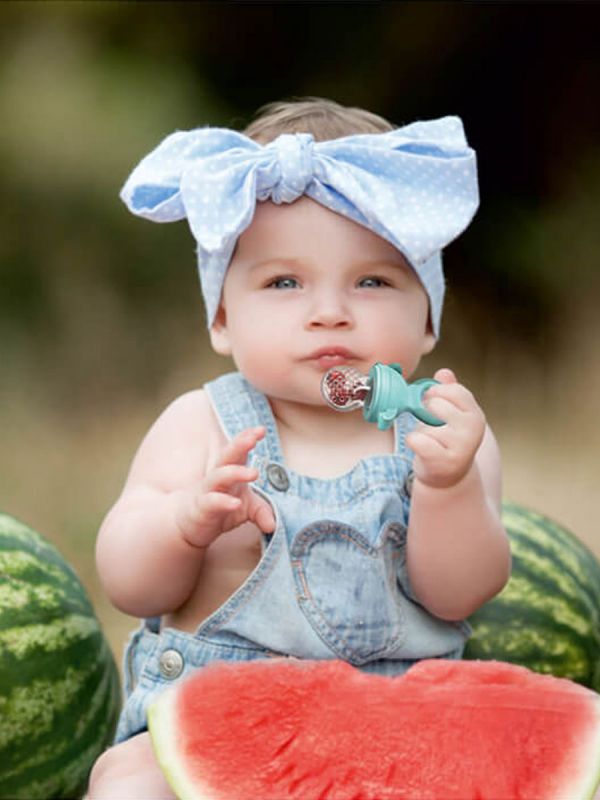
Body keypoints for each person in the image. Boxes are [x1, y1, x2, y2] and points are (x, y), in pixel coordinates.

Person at [87, 98, 511, 797]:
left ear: (428, 319)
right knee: (131, 783)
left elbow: (461, 593)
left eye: (373, 281)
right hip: (210, 728)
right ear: (222, 319)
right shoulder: (202, 424)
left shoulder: (444, 433)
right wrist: (183, 524)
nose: (329, 311)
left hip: (397, 739)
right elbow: (129, 584)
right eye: (284, 282)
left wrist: (448, 487)